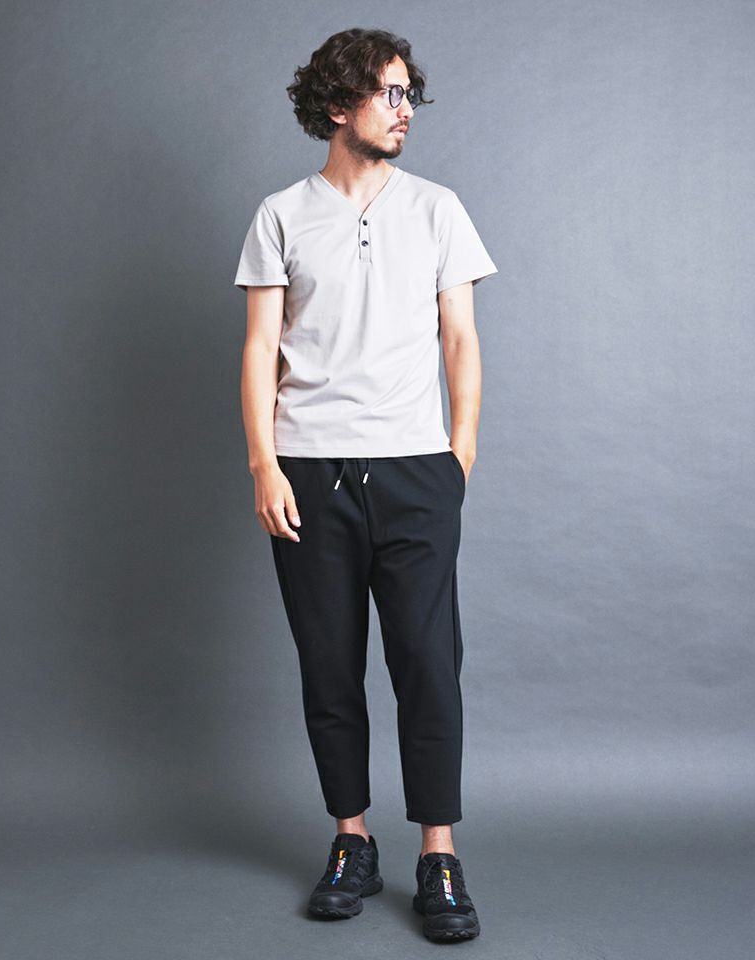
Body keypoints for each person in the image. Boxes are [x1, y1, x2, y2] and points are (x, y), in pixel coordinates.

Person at [234, 27, 498, 943]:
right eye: (388, 93)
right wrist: (264, 463)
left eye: (407, 92)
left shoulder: (438, 209)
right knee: (328, 668)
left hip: (417, 471)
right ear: (339, 104)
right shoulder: (280, 215)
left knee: (428, 666)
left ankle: (439, 855)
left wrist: (458, 457)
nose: (404, 108)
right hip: (308, 474)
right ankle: (352, 841)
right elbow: (260, 349)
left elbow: (460, 339)